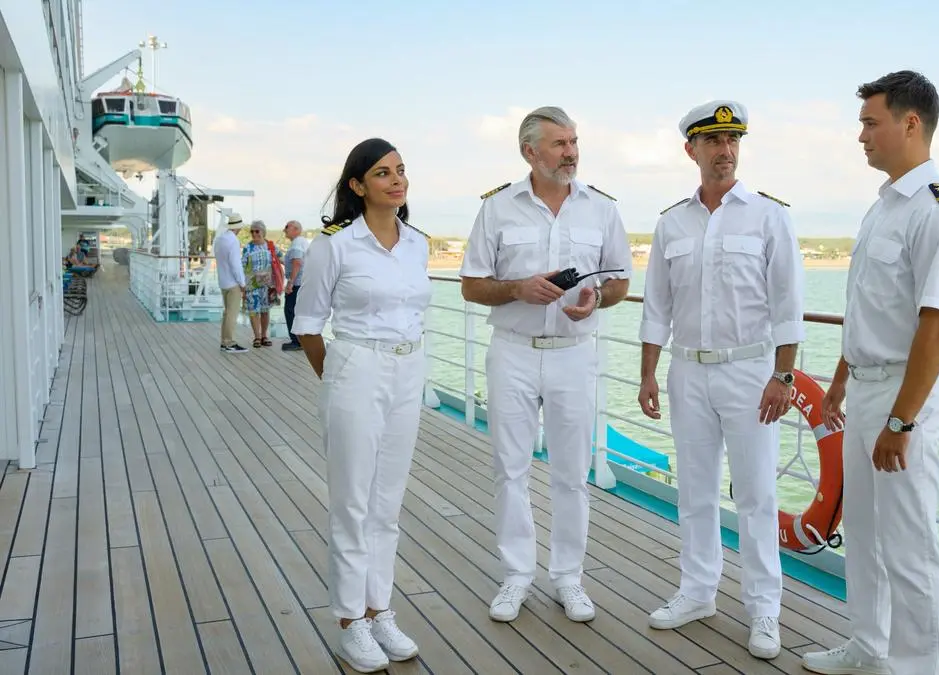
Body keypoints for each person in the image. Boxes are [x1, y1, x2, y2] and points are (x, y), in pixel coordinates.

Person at [800, 71, 939, 675]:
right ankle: (867, 648)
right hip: (865, 389)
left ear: (911, 123)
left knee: (909, 549)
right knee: (865, 536)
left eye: (870, 123)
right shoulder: (884, 208)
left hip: (905, 399)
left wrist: (901, 422)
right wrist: (839, 382)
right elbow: (868, 309)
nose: (861, 136)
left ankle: (915, 667)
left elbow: (937, 324)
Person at [637, 100, 805, 660]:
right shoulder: (672, 222)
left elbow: (788, 306)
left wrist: (784, 375)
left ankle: (764, 609)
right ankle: (697, 591)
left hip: (751, 371)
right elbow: (657, 307)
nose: (725, 150)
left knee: (756, 495)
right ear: (692, 150)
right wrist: (647, 374)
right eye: (713, 141)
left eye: (733, 140)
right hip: (687, 370)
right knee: (695, 490)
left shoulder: (769, 216)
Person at [459, 105, 632, 625]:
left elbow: (620, 282)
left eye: (574, 142)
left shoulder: (602, 208)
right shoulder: (497, 208)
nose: (571, 152)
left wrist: (597, 299)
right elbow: (471, 285)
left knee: (572, 473)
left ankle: (568, 578)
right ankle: (516, 575)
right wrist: (517, 288)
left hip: (573, 355)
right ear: (529, 152)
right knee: (510, 469)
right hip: (512, 351)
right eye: (559, 144)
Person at [292, 138, 431, 673]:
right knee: (352, 504)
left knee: (386, 505)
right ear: (357, 185)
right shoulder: (335, 245)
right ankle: (351, 621)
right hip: (356, 367)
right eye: (382, 173)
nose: (397, 181)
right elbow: (308, 325)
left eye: (400, 170)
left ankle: (379, 610)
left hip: (408, 369)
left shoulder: (416, 243)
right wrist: (339, 380)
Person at [242, 220, 282, 348]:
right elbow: (242, 266)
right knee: (254, 311)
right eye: (252, 231)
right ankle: (257, 337)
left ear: (263, 232)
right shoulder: (248, 248)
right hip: (252, 284)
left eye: (257, 231)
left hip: (267, 284)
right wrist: (242, 286)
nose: (254, 234)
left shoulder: (270, 246)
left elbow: (281, 259)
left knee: (265, 310)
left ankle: (264, 335)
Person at [213, 214, 248, 353]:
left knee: (227, 313)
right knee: (232, 314)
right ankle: (228, 343)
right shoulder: (233, 241)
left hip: (223, 281)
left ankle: (224, 342)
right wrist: (242, 283)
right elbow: (235, 265)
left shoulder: (219, 239)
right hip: (233, 283)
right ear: (238, 228)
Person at [282, 220, 309, 351]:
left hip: (297, 284)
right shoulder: (303, 242)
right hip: (304, 283)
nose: (284, 230)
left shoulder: (297, 243)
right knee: (299, 312)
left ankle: (296, 341)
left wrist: (290, 283)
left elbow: (297, 262)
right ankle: (301, 340)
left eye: (287, 227)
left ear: (296, 229)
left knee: (290, 310)